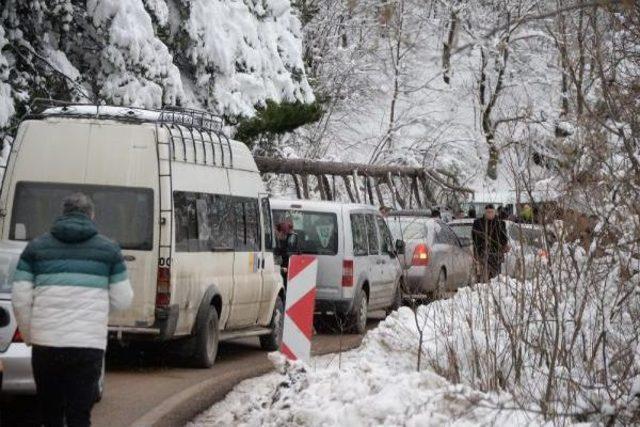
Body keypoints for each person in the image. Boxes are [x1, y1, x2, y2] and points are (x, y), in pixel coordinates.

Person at [12, 193, 133, 427]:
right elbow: (123, 299)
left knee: (50, 414)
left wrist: (30, 335)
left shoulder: (35, 248)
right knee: (80, 415)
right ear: (92, 215)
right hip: (87, 347)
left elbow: (20, 299)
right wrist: (94, 313)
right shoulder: (109, 250)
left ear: (63, 213)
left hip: (46, 345)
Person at [472, 204, 509, 282]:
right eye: (488, 212)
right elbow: (474, 239)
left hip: (496, 254)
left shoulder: (500, 223)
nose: (489, 214)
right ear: (485, 212)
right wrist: (477, 253)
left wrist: (503, 247)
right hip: (483, 253)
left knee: (496, 278)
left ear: (495, 212)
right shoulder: (478, 223)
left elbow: (504, 238)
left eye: (491, 212)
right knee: (484, 277)